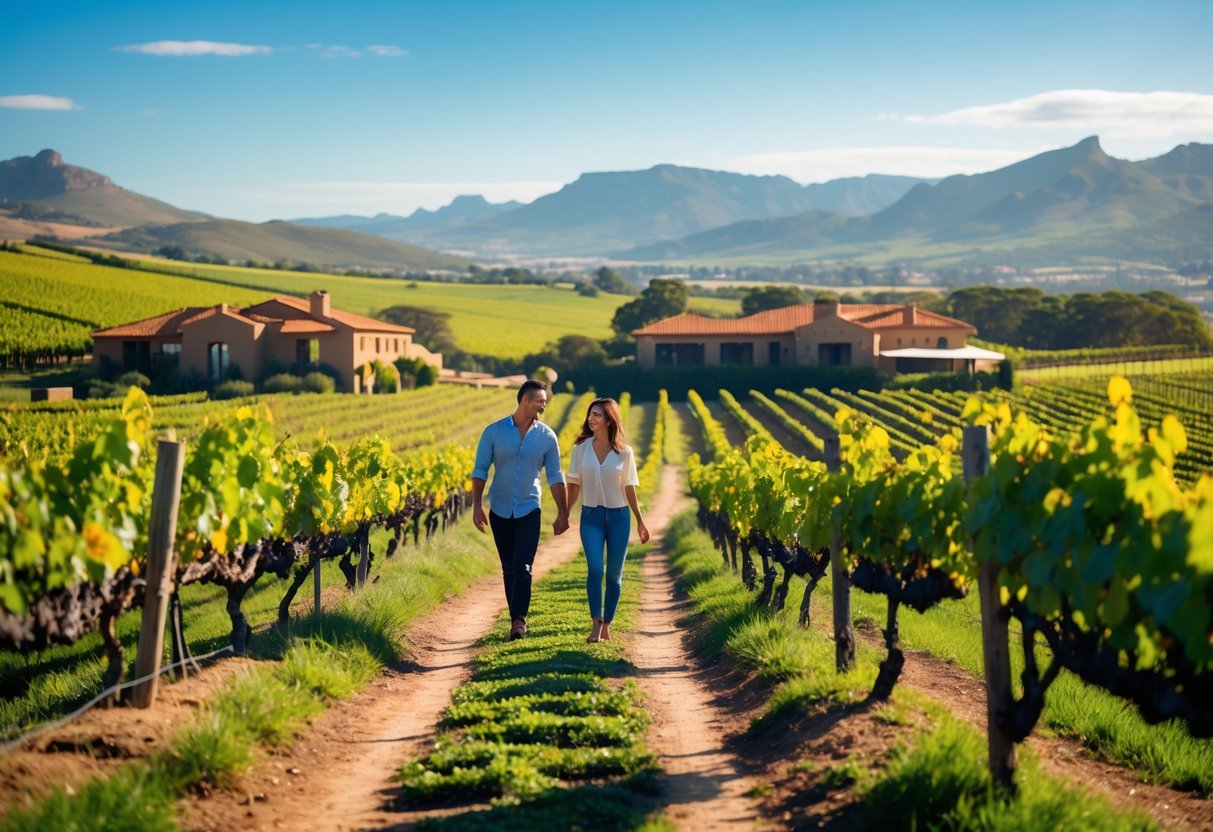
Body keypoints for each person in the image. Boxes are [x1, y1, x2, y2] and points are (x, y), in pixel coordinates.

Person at [472, 379, 569, 640]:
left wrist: (563, 512)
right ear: (524, 400)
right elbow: (480, 470)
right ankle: (515, 617)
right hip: (499, 509)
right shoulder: (493, 432)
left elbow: (555, 476)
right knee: (509, 568)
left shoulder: (547, 437)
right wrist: (476, 505)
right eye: (539, 400)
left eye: (544, 401)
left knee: (523, 565)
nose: (543, 404)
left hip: (529, 509)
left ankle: (518, 621)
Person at [565, 397, 649, 643]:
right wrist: (564, 513)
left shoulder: (625, 453)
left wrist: (640, 521)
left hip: (619, 518)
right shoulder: (580, 449)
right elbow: (574, 484)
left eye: (597, 415)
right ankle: (595, 623)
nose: (591, 419)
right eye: (590, 414)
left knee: (614, 575)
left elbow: (630, 487)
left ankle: (607, 625)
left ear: (610, 419)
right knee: (594, 569)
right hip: (590, 517)